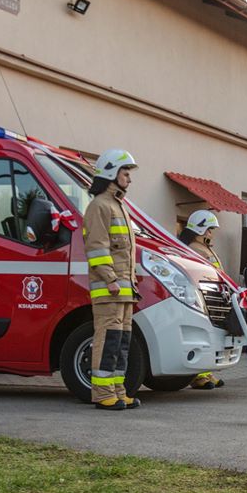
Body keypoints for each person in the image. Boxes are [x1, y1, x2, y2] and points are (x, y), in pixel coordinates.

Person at [83, 148, 140, 410]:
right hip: (110, 289)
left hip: (124, 290)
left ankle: (118, 391)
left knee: (121, 342)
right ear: (110, 173)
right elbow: (97, 248)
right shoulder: (99, 206)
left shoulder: (119, 206)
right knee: (107, 341)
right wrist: (110, 279)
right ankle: (103, 393)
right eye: (125, 173)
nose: (129, 178)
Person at [178, 209, 226, 388]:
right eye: (209, 229)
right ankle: (199, 376)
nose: (211, 233)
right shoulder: (193, 248)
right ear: (200, 229)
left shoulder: (205, 248)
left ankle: (206, 372)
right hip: (202, 297)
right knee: (203, 336)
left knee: (212, 336)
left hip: (212, 296)